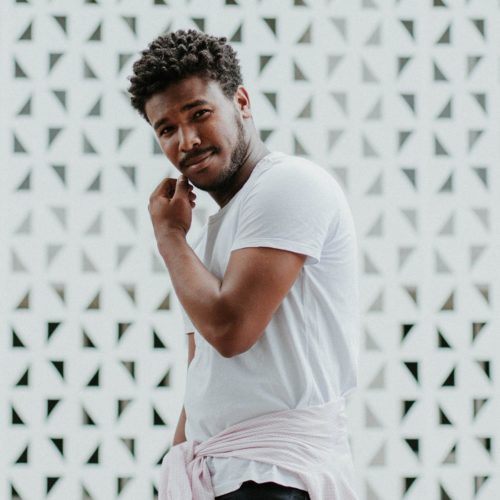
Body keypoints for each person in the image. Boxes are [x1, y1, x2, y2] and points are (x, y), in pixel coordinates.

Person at [128, 29, 360, 500]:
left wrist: (169, 236)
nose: (187, 141)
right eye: (166, 129)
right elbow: (202, 374)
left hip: (275, 475)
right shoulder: (206, 236)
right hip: (218, 476)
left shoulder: (289, 184)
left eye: (199, 114)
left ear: (241, 102)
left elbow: (230, 330)